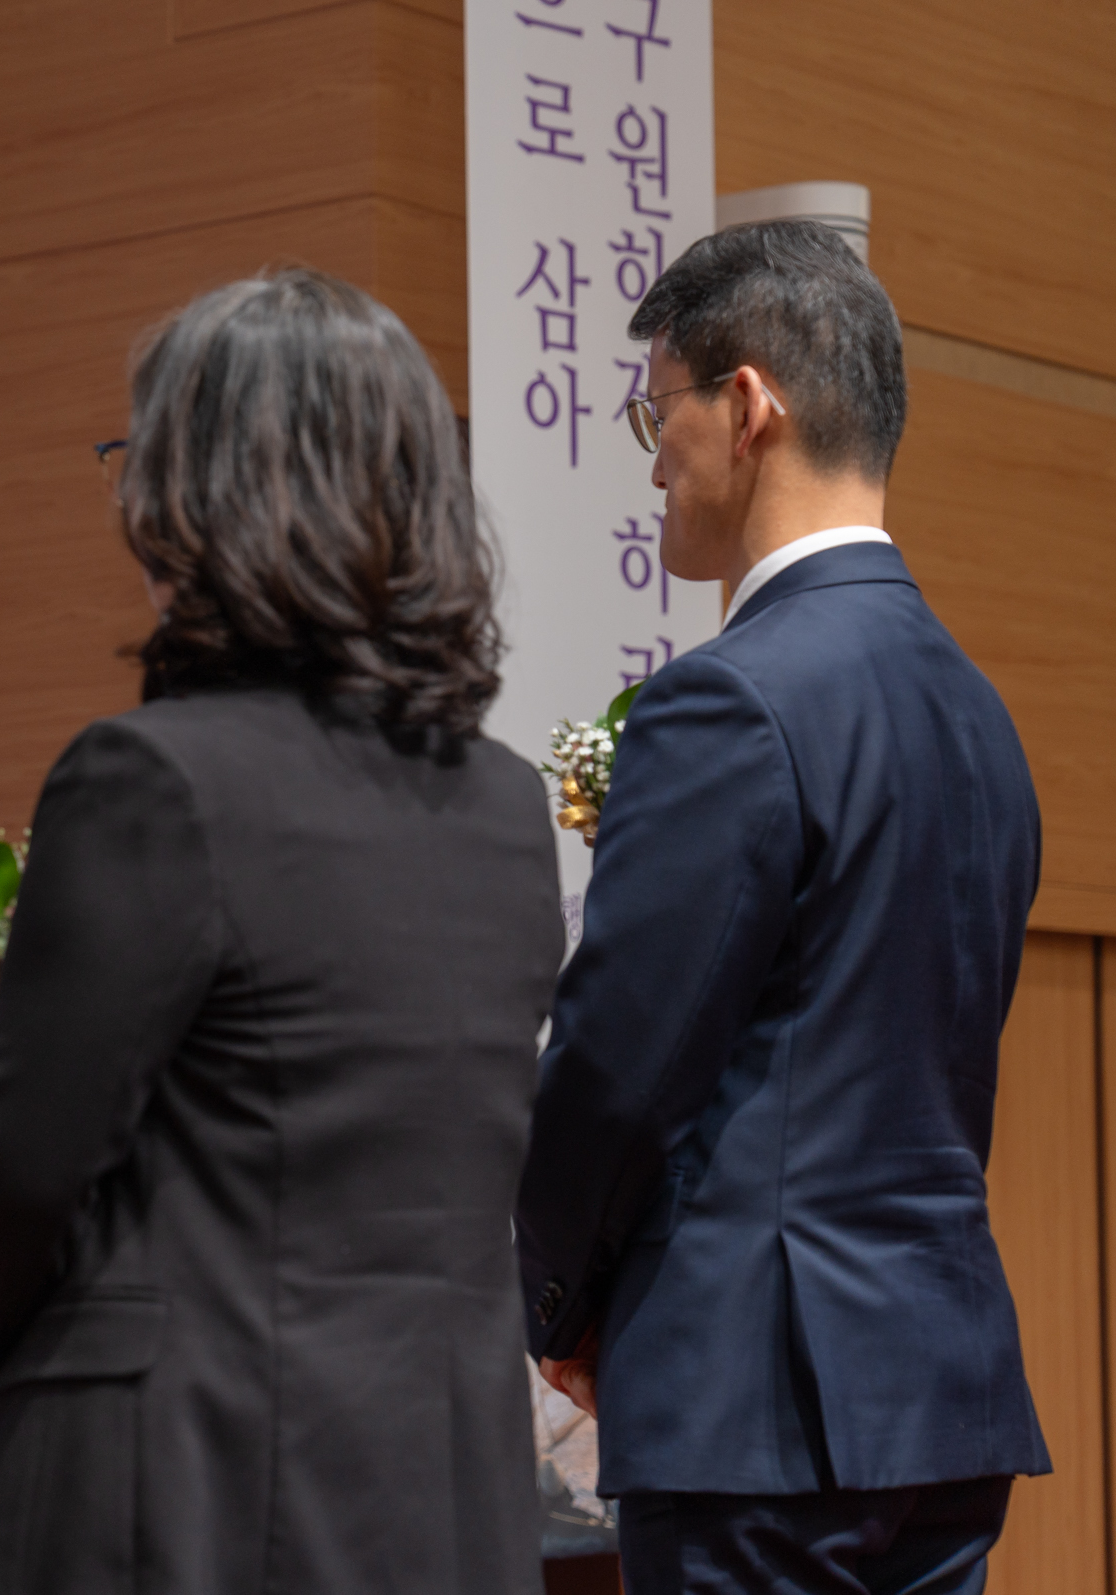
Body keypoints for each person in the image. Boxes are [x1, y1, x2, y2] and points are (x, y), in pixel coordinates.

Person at [0, 269, 566, 1592]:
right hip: (436, 1492)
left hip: (185, 1485)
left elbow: (24, 1159)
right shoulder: (503, 806)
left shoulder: (154, 781)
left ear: (197, 502)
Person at [516, 220, 1048, 1595]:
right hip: (942, 1392)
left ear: (746, 405)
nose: (653, 462)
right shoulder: (980, 716)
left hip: (755, 1403)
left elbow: (619, 1062)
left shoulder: (728, 696)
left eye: (659, 413)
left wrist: (557, 1301)